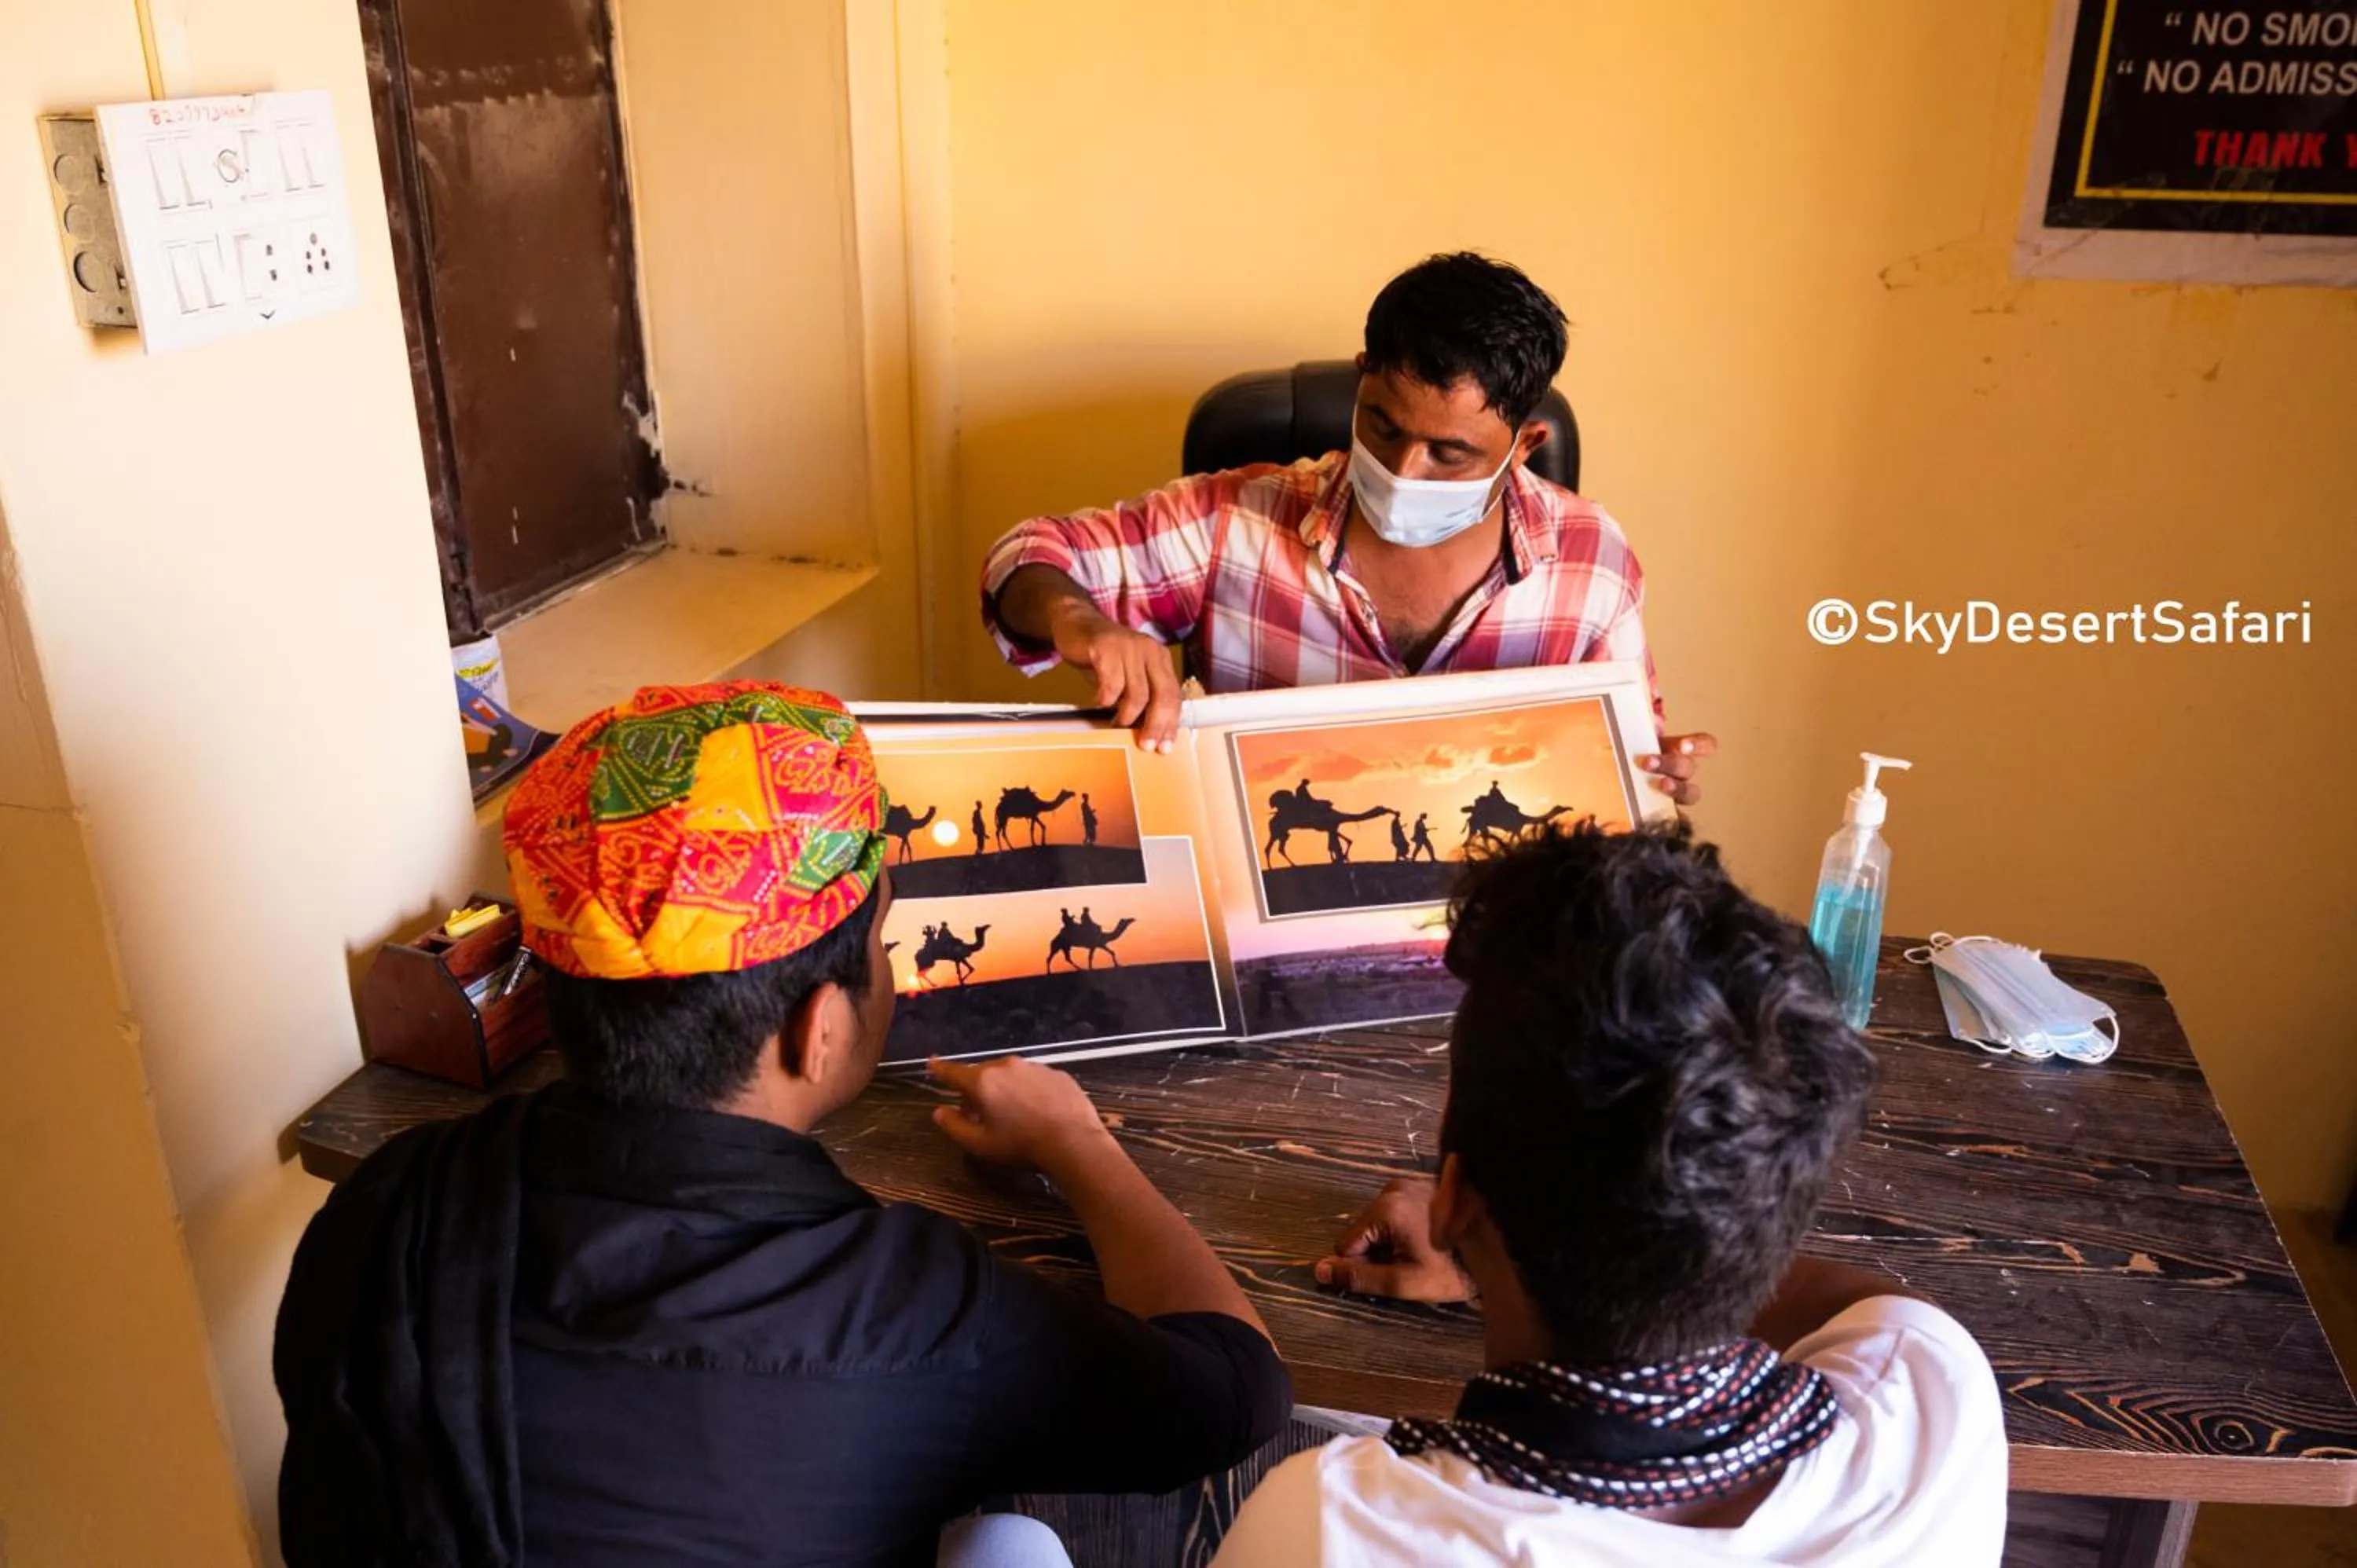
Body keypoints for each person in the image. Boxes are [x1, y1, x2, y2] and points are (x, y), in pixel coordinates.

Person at [275, 683, 1289, 1568]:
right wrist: (1080, 1142)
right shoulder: (913, 1318)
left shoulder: (387, 1198)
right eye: (882, 943)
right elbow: (1236, 1395)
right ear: (822, 1028)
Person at [1212, 822, 2006, 1566]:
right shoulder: (1933, 1412)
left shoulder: (1342, 1532)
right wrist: (1520, 1249)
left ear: (1454, 1202)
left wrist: (1509, 1256)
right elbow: (1879, 1307)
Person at [982, 252, 1714, 802]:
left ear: (1526, 445)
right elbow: (1025, 558)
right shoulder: (1231, 523)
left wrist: (1656, 776)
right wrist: (1076, 617)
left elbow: (1632, 756)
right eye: (1383, 426)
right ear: (1363, 380)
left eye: (1450, 453)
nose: (1404, 469)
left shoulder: (1593, 565)